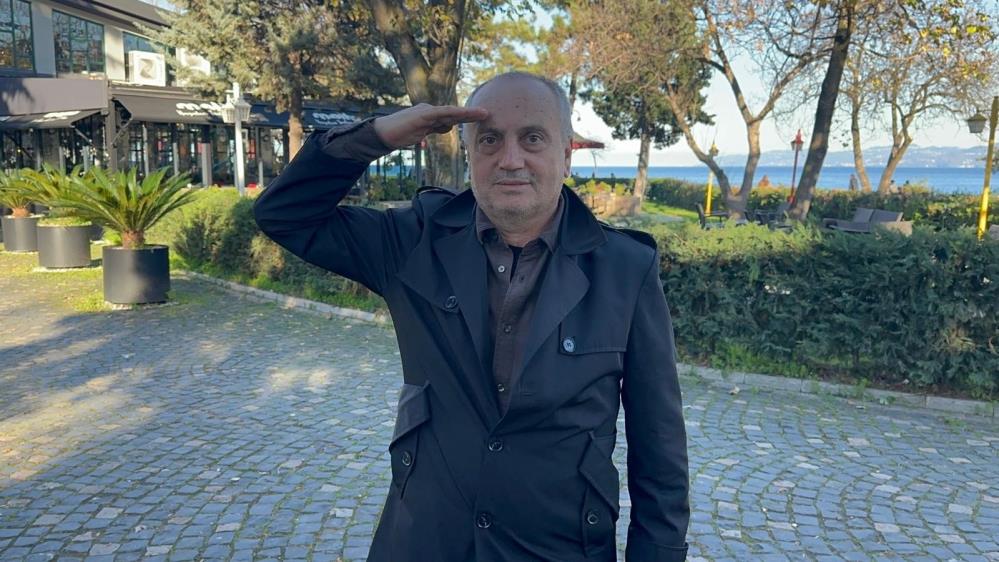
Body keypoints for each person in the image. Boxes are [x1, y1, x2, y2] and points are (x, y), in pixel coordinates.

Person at [253, 71, 689, 562]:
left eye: (532, 138)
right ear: (468, 154)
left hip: (558, 548)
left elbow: (660, 447)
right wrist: (378, 134)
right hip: (424, 542)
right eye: (489, 140)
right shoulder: (415, 240)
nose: (510, 159)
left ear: (566, 155)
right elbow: (284, 214)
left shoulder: (625, 268)